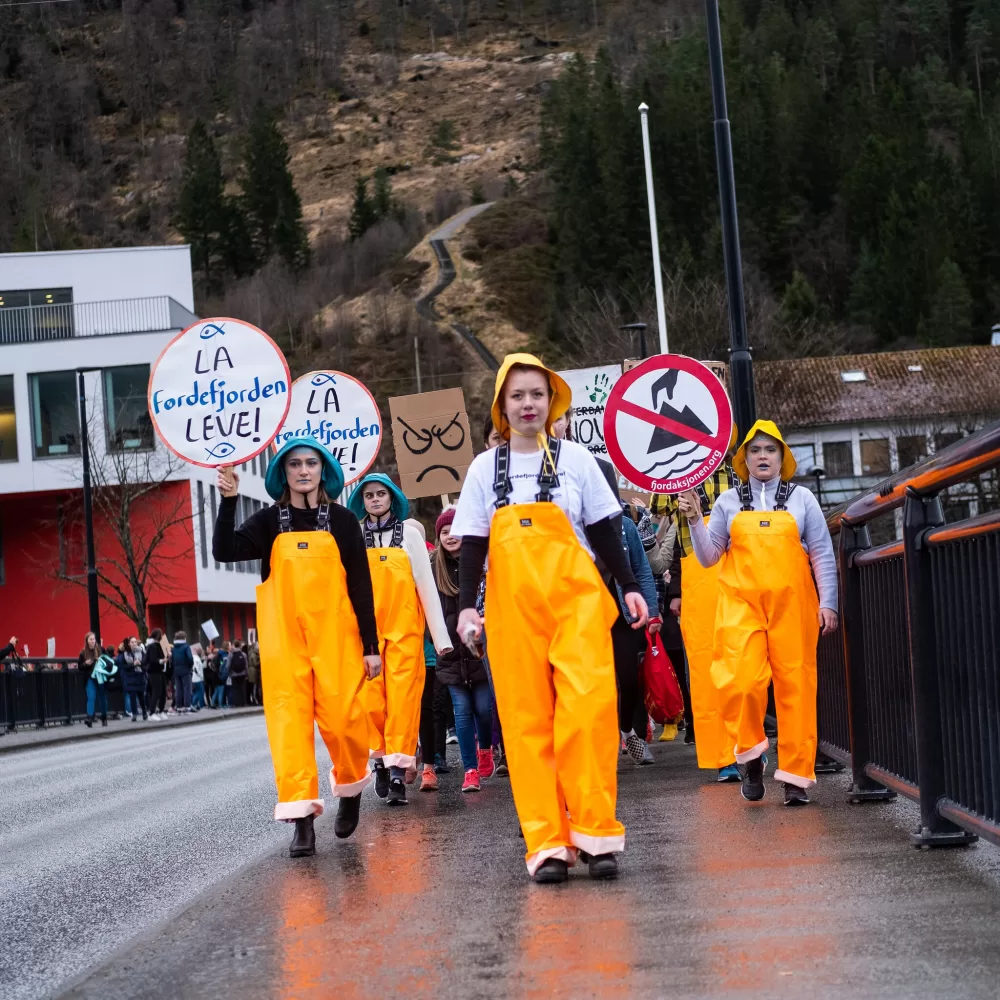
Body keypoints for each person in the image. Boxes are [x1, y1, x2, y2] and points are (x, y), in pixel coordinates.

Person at [452, 353, 648, 883]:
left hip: (577, 602)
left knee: (589, 713)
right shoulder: (481, 470)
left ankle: (596, 836)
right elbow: (472, 543)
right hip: (513, 610)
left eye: (536, 393)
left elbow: (606, 529)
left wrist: (629, 585)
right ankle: (547, 845)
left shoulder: (577, 460)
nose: (527, 403)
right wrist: (467, 605)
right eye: (516, 395)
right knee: (526, 723)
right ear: (501, 406)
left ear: (551, 400)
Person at [213, 437, 382, 857]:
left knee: (345, 721)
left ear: (323, 470)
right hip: (284, 642)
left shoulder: (343, 521)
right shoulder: (269, 521)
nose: (303, 471)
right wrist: (229, 501)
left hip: (338, 640)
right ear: (282, 473)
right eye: (294, 465)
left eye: (311, 463)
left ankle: (350, 787)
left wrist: (371, 645)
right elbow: (224, 550)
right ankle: (302, 819)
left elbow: (361, 586)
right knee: (289, 728)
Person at [679, 419, 839, 806]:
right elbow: (708, 556)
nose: (763, 456)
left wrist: (828, 601)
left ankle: (797, 778)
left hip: (794, 606)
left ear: (782, 457)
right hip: (741, 606)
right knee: (741, 683)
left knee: (797, 687)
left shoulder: (802, 498)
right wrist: (693, 519)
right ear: (744, 459)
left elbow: (821, 552)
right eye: (755, 450)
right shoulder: (727, 502)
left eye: (770, 450)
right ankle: (750, 756)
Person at [551, 412, 663, 766]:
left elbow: (639, 569)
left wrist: (652, 608)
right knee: (586, 684)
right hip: (573, 609)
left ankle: (628, 731)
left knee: (628, 681)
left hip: (617, 611)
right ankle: (595, 745)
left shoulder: (623, 525)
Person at [347, 474, 452, 807]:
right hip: (366, 634)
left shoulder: (408, 535)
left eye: (381, 494)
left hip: (405, 631)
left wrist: (441, 638)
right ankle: (379, 757)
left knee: (404, 701)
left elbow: (425, 585)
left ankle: (396, 773)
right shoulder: (352, 537)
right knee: (371, 701)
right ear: (361, 502)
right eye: (369, 495)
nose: (376, 499)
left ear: (392, 497)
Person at [432, 507, 495, 793]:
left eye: (455, 531)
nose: (450, 537)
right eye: (444, 532)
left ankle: (485, 749)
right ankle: (470, 770)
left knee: (483, 708)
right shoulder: (434, 569)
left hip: (478, 652)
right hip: (450, 655)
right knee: (461, 710)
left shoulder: (480, 565)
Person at [118, 637, 148, 722]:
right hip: (130, 677)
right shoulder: (125, 654)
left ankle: (144, 712)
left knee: (141, 696)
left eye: (135, 642)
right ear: (129, 644)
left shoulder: (141, 651)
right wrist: (133, 664)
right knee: (132, 696)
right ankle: (134, 714)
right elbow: (123, 666)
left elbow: (146, 663)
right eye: (132, 642)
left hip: (140, 676)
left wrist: (140, 664)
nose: (134, 644)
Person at [144, 630, 166, 721]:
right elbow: (152, 660)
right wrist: (161, 661)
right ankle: (152, 712)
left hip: (160, 671)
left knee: (162, 692)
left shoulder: (157, 645)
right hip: (154, 671)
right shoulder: (152, 646)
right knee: (156, 692)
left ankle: (160, 711)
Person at [171, 631, 195, 714]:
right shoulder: (186, 647)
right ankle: (187, 706)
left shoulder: (173, 648)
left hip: (176, 671)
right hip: (185, 670)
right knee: (187, 688)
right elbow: (190, 659)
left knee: (178, 689)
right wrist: (189, 666)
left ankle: (179, 707)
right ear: (184, 638)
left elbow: (172, 660)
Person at [229, 640, 249, 707]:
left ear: (234, 645)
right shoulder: (243, 654)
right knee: (242, 688)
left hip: (234, 674)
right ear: (240, 646)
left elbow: (228, 665)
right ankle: (243, 702)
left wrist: (229, 672)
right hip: (242, 674)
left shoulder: (231, 654)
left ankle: (236, 703)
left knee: (235, 689)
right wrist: (246, 673)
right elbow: (246, 664)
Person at [191, 643, 206, 710]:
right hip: (198, 679)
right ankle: (198, 704)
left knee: (196, 692)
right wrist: (201, 676)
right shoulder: (196, 659)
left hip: (194, 678)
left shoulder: (194, 658)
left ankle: (194, 704)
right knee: (200, 692)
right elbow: (197, 669)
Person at [247, 638, 261, 706]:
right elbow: (255, 663)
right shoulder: (253, 654)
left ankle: (255, 699)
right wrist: (260, 660)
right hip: (253, 672)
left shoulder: (252, 653)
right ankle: (254, 699)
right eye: (258, 645)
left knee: (254, 686)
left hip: (253, 671)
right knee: (254, 687)